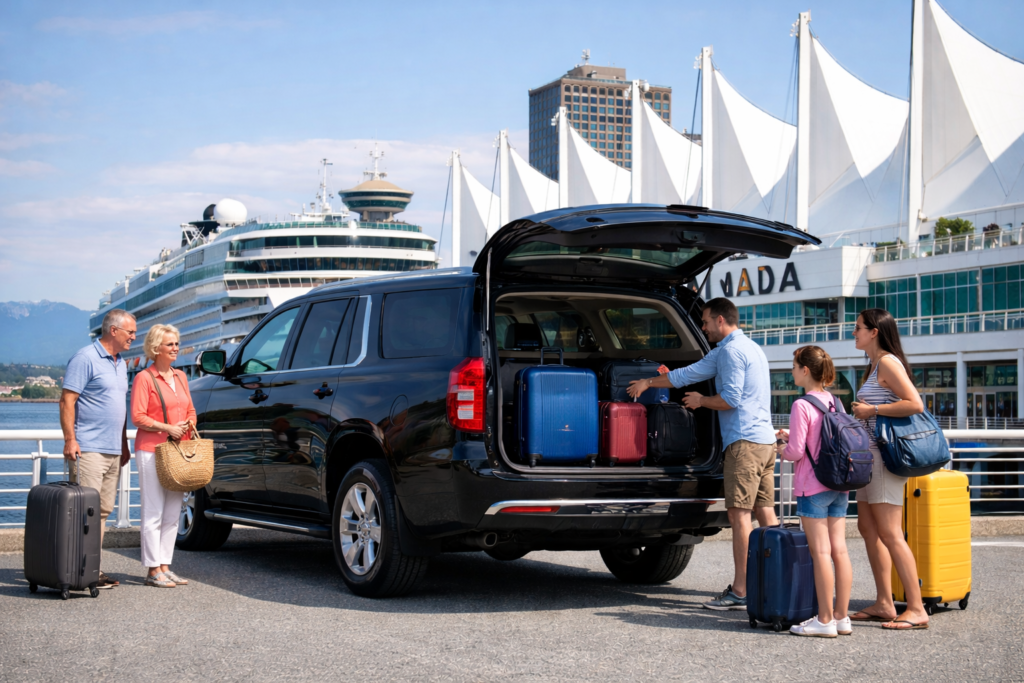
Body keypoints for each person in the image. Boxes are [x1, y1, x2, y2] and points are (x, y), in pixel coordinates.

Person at [627, 297, 777, 611]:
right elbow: (686, 374)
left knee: (739, 518)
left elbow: (731, 399)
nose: (703, 327)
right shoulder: (748, 348)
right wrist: (649, 382)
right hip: (765, 442)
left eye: (706, 321)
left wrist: (701, 401)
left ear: (721, 320)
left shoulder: (731, 353)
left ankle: (741, 590)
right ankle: (777, 583)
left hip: (744, 444)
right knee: (767, 516)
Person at [849, 308, 930, 630]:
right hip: (869, 460)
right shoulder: (873, 365)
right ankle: (884, 602)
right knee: (868, 530)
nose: (853, 332)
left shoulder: (888, 362)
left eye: (857, 328)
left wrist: (873, 410)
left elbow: (915, 403)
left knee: (891, 533)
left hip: (884, 459)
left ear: (874, 332)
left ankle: (916, 607)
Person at [775, 346, 853, 638]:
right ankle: (841, 617)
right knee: (839, 550)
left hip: (813, 485)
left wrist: (782, 446)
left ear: (805, 370)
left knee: (820, 553)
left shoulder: (801, 405)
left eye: (794, 366)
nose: (792, 371)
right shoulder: (835, 402)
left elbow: (796, 451)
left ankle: (823, 619)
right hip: (839, 484)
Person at [60, 309, 136, 589]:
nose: (134, 337)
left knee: (102, 511)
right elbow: (67, 400)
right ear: (113, 331)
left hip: (113, 449)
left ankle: (92, 568)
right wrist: (70, 439)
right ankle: (74, 571)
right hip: (88, 448)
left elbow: (121, 408)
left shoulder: (122, 362)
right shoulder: (85, 358)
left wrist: (124, 444)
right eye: (130, 332)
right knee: (83, 512)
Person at [131, 324, 196, 588]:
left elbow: (190, 409)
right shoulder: (144, 378)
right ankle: (152, 569)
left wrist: (189, 422)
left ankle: (166, 566)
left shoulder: (181, 376)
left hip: (179, 450)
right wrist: (167, 427)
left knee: (172, 511)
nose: (175, 348)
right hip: (151, 450)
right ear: (156, 348)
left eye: (177, 343)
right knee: (154, 511)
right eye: (170, 344)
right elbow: (137, 416)